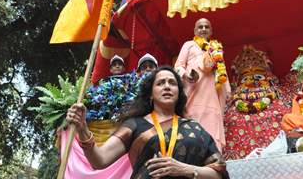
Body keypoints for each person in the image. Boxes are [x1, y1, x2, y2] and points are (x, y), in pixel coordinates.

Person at [66, 66, 228, 179]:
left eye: (172, 83)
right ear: (150, 94)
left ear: (179, 93)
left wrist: (184, 169)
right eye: (160, 83)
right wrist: (83, 129)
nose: (167, 86)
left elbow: (218, 172)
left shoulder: (194, 128)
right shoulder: (135, 125)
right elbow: (99, 160)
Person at [174, 18, 230, 151]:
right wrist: (186, 75)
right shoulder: (189, 45)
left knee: (213, 128)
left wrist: (227, 91)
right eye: (200, 27)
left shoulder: (216, 48)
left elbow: (223, 72)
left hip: (212, 97)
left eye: (206, 27)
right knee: (193, 127)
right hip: (193, 94)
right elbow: (178, 66)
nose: (203, 29)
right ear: (195, 30)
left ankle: (213, 160)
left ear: (211, 31)